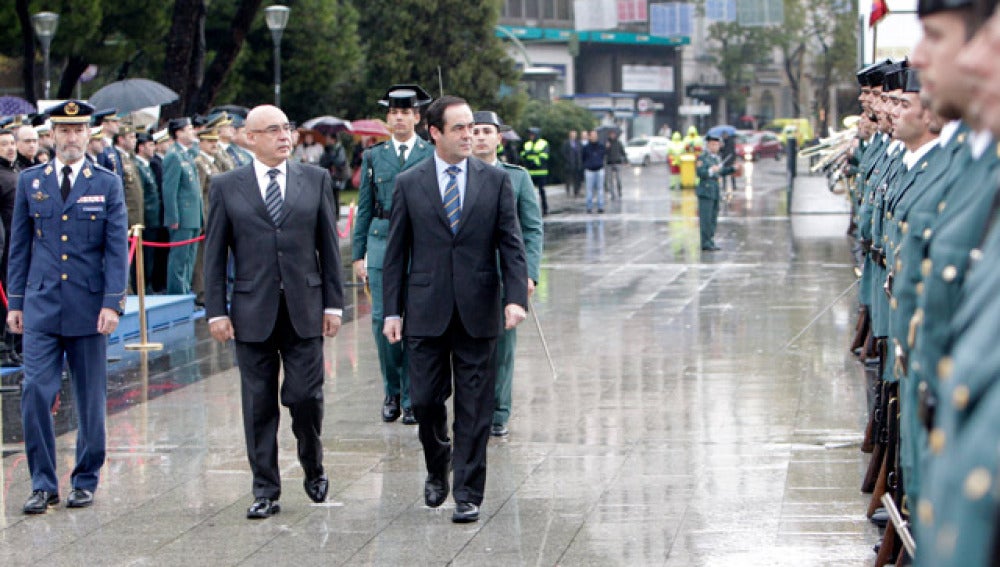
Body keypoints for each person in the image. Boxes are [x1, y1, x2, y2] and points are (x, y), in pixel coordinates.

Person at [382, 95, 528, 524]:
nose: (470, 135)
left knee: (474, 408)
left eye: (472, 127)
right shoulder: (410, 183)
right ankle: (436, 462)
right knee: (425, 402)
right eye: (460, 128)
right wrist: (393, 311)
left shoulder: (496, 180)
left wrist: (515, 297)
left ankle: (468, 493)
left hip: (478, 310)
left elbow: (511, 244)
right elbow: (396, 254)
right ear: (435, 133)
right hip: (425, 310)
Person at [203, 104, 344, 519]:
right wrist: (216, 311)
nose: (284, 137)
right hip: (251, 310)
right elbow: (214, 256)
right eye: (272, 130)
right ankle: (265, 489)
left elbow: (329, 248)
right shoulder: (227, 186)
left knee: (304, 397)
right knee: (258, 403)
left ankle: (313, 463)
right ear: (250, 138)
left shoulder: (315, 179)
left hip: (305, 307)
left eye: (287, 128)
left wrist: (334, 304)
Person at [7, 100, 128, 514]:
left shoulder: (107, 183)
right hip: (41, 305)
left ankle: (85, 478)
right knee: (35, 391)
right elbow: (19, 245)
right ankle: (42, 483)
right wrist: (16, 301)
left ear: (89, 134)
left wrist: (113, 303)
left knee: (89, 397)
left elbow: (116, 250)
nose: (71, 138)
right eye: (63, 131)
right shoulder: (31, 181)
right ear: (52, 135)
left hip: (88, 305)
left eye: (78, 131)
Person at [352, 84, 434, 425]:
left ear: (417, 117)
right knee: (382, 321)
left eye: (405, 113)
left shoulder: (431, 154)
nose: (398, 118)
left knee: (416, 323)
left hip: (421, 244)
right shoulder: (374, 156)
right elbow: (365, 208)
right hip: (382, 242)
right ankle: (392, 391)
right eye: (393, 113)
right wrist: (359, 254)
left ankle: (413, 395)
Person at [470, 110, 543, 437]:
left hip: (503, 275)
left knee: (502, 349)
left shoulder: (517, 178)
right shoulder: (457, 175)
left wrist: (527, 274)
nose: (481, 137)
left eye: (488, 131)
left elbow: (532, 229)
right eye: (475, 130)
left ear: (499, 138)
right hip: (465, 276)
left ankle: (498, 413)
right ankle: (471, 410)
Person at [162, 117, 202, 295]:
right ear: (178, 132)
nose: (192, 131)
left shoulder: (186, 154)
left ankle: (185, 290)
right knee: (179, 258)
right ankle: (177, 293)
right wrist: (173, 217)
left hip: (192, 215)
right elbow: (169, 190)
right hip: (182, 215)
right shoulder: (173, 156)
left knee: (189, 258)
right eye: (189, 128)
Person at [695, 134, 736, 251]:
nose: (715, 147)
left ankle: (710, 240)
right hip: (706, 190)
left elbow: (721, 172)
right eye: (712, 144)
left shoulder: (716, 158)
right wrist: (711, 170)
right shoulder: (703, 158)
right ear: (708, 145)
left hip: (715, 190)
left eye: (717, 144)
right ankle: (705, 242)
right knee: (706, 219)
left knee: (713, 218)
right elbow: (700, 173)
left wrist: (732, 169)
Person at [134, 132, 163, 293]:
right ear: (141, 147)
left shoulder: (146, 165)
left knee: (151, 256)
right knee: (145, 255)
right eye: (150, 145)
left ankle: (150, 284)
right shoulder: (138, 166)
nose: (153, 148)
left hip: (153, 217)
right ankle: (144, 285)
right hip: (146, 217)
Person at [0, 127, 18, 366]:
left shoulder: (15, 172)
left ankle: (13, 345)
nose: (10, 148)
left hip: (18, 247)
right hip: (5, 247)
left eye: (12, 143)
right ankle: (4, 347)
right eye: (4, 144)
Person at [520, 127, 550, 215]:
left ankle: (545, 209)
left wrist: (536, 161)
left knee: (542, 191)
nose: (531, 136)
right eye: (530, 134)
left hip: (541, 172)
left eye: (532, 134)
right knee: (529, 193)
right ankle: (530, 211)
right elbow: (522, 153)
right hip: (530, 171)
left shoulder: (543, 143)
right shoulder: (527, 144)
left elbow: (545, 156)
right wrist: (525, 155)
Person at [581, 130, 606, 214]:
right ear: (589, 136)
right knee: (589, 190)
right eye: (592, 135)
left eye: (595, 135)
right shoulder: (586, 147)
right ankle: (589, 207)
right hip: (589, 170)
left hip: (599, 169)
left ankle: (600, 207)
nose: (593, 137)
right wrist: (586, 165)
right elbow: (583, 157)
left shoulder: (601, 146)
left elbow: (603, 155)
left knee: (600, 189)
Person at [604, 129, 626, 200]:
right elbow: (604, 153)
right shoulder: (607, 143)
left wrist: (625, 159)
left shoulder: (618, 142)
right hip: (609, 163)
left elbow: (623, 152)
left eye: (613, 134)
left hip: (617, 162)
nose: (612, 135)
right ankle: (612, 194)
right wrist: (606, 148)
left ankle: (619, 191)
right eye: (611, 134)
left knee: (618, 179)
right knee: (610, 180)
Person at [560, 130, 582, 196]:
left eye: (574, 134)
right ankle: (568, 191)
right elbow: (563, 152)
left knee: (577, 178)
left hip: (577, 163)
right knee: (568, 179)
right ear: (569, 135)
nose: (573, 136)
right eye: (572, 134)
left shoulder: (578, 143)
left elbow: (581, 152)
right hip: (569, 163)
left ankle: (576, 191)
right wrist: (568, 159)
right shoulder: (566, 143)